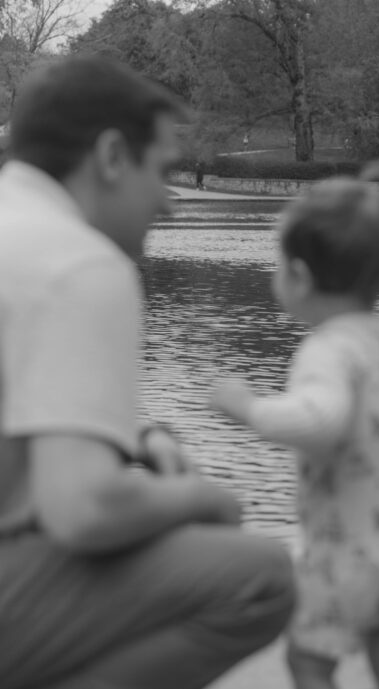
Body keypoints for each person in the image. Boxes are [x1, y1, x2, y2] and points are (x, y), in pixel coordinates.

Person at [0, 56, 295, 689]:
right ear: (111, 156)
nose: (169, 204)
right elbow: (85, 509)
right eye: (161, 171)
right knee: (260, 578)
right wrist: (207, 498)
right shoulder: (79, 262)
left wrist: (138, 438)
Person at [211, 179, 379, 689]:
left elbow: (321, 422)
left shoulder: (328, 349)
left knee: (309, 663)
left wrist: (249, 408)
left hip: (349, 558)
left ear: (299, 276)